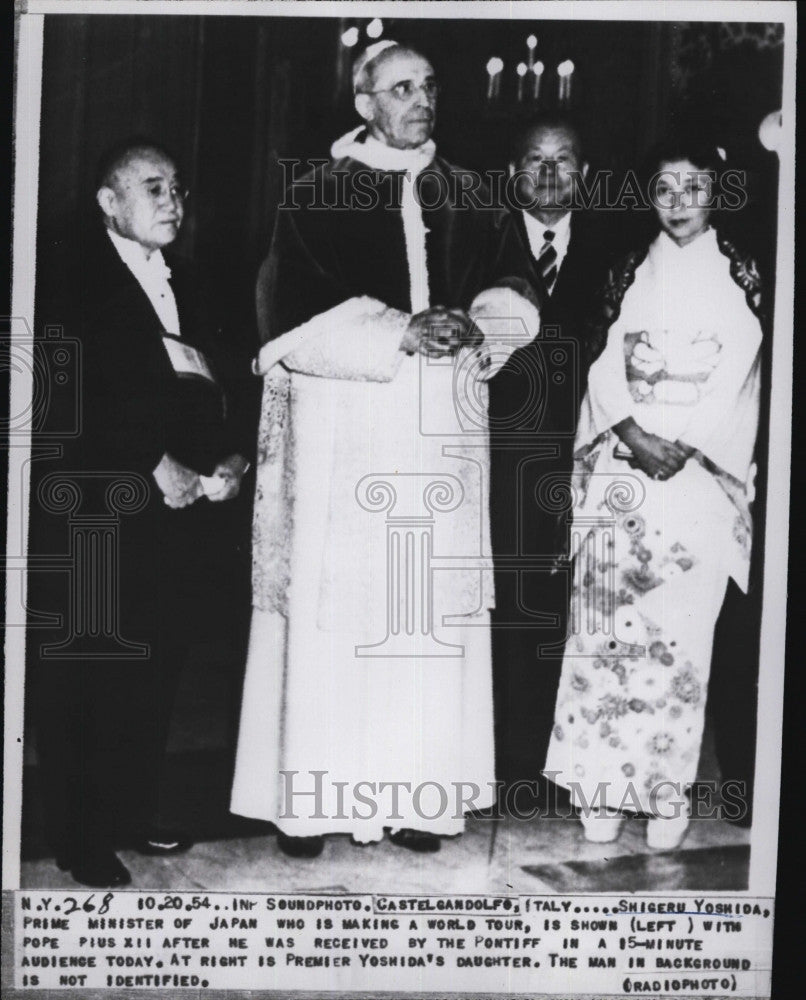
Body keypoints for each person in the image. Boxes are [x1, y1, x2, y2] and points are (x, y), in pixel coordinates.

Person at [230, 40, 539, 857]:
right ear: (364, 103)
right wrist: (397, 329)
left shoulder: (471, 191)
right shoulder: (317, 192)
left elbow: (515, 287)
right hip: (350, 433)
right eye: (401, 88)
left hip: (441, 434)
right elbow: (287, 320)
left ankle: (416, 799)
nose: (421, 100)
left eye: (430, 86)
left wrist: (487, 321)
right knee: (345, 612)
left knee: (422, 613)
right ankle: (314, 805)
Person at [28, 138, 252, 887]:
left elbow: (215, 377)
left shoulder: (188, 277)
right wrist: (152, 464)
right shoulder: (64, 273)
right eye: (153, 186)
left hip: (178, 511)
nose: (173, 201)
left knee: (157, 666)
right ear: (107, 200)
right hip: (96, 508)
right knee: (89, 674)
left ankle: (131, 808)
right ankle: (79, 834)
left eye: (179, 188)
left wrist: (229, 456)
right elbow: (62, 397)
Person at [542, 136, 764, 850]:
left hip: (698, 477)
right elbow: (601, 361)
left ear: (717, 193)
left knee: (678, 641)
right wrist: (633, 434)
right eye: (664, 188)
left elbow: (746, 372)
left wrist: (687, 441)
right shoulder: (627, 268)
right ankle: (601, 791)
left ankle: (667, 798)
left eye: (692, 187)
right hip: (623, 470)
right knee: (605, 635)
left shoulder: (746, 275)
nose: (678, 202)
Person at [488, 115, 623, 793]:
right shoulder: (476, 243)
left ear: (587, 176)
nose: (547, 174)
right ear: (512, 174)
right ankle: (480, 762)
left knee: (556, 607)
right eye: (533, 160)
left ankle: (532, 763)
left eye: (563, 161)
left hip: (579, 460)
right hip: (486, 459)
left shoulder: (614, 254)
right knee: (488, 606)